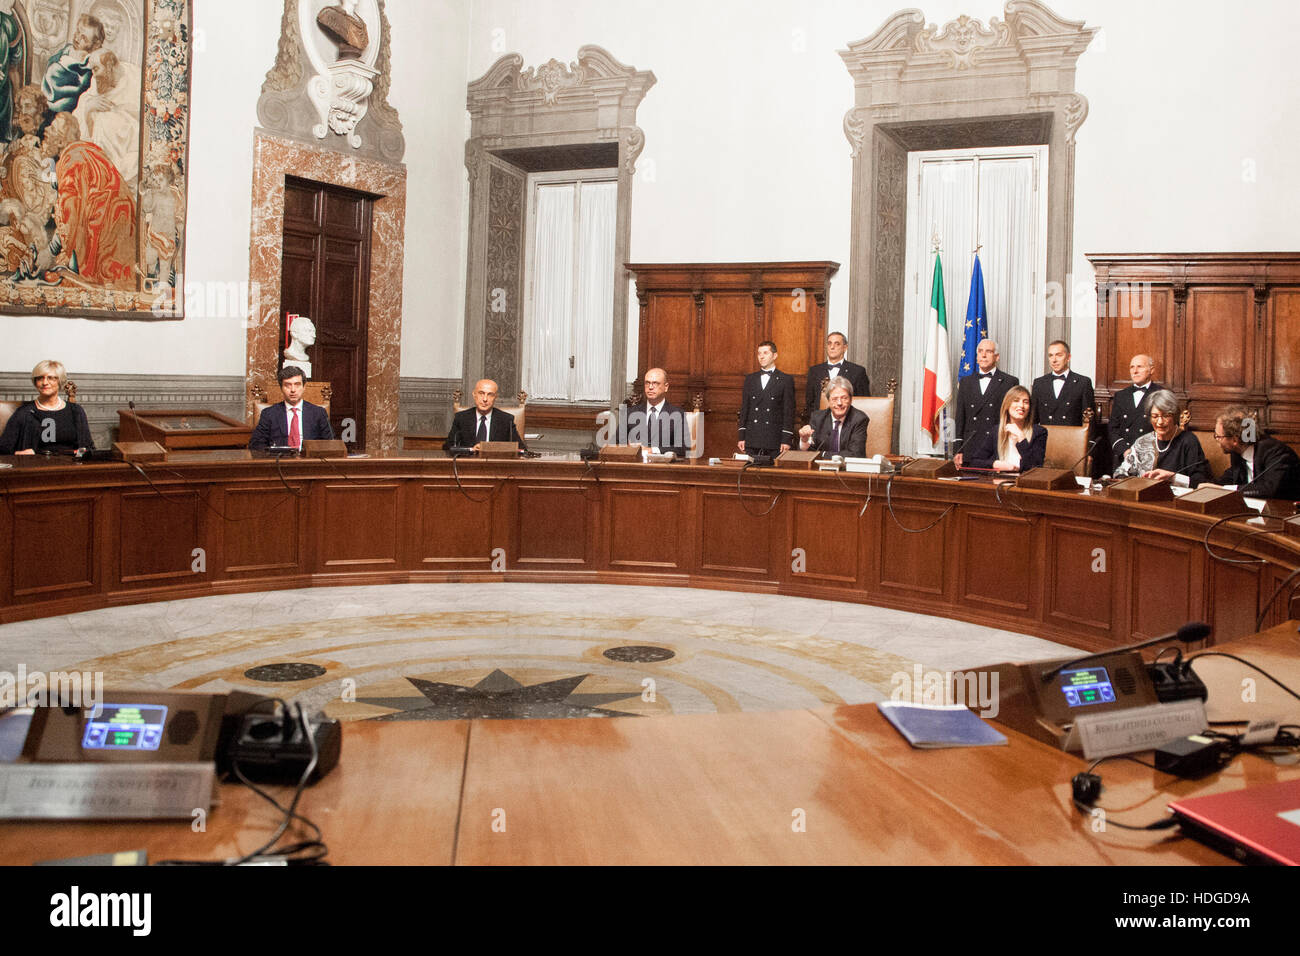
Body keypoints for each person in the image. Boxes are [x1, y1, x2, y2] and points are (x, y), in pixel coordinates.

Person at [1112, 389, 1209, 487]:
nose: (1160, 422)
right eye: (1155, 416)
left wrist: (1173, 477)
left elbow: (1200, 481)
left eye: (1166, 416)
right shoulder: (1142, 442)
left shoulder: (1189, 441)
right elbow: (1120, 473)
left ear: (1175, 416)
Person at [0, 360, 93, 455]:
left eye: (51, 378)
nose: (45, 382)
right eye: (40, 378)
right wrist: (18, 453)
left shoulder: (75, 411)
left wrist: (77, 456)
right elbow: (3, 448)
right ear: (35, 382)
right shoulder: (24, 412)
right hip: (35, 466)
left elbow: (88, 449)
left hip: (70, 465)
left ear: (60, 381)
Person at [1210, 407, 1300, 500]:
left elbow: (1269, 490)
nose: (1216, 440)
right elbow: (1231, 476)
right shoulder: (1237, 452)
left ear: (1234, 440)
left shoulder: (1277, 453)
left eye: (1218, 436)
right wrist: (1208, 487)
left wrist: (1226, 489)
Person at [953, 338, 1018, 468]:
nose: (983, 355)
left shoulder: (1009, 382)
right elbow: (960, 418)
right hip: (970, 446)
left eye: (988, 351)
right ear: (976, 356)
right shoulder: (966, 382)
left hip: (997, 445)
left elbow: (1012, 419)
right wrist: (958, 449)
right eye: (980, 351)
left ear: (997, 357)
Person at [959, 385, 1046, 472]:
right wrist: (994, 464)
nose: (1021, 405)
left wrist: (1021, 438)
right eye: (1016, 401)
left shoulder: (1039, 432)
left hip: (1024, 483)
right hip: (999, 481)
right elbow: (975, 462)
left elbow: (1035, 467)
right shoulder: (996, 431)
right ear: (1007, 405)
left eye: (1026, 402)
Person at [249, 366, 333, 450]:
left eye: (297, 385)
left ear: (304, 387)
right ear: (281, 388)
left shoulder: (318, 413)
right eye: (288, 385)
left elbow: (331, 443)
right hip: (280, 460)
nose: (293, 390)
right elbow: (256, 444)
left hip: (309, 460)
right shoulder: (269, 414)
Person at [737, 340, 794, 458]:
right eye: (759, 353)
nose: (761, 357)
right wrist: (742, 436)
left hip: (774, 439)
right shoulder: (750, 379)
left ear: (775, 356)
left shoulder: (786, 380)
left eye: (765, 353)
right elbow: (744, 409)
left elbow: (788, 412)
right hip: (752, 438)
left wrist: (786, 439)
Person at [41, 14, 105, 114]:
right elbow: (51, 63)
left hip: (67, 103)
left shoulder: (90, 63)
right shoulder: (67, 49)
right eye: (78, 31)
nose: (77, 38)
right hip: (49, 92)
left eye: (84, 38)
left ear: (95, 44)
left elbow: (82, 87)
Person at [620, 367, 689, 458]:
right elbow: (617, 443)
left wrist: (653, 450)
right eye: (647, 383)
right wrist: (630, 449)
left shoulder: (677, 414)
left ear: (666, 387)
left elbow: (683, 448)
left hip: (663, 468)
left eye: (655, 383)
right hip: (635, 467)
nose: (650, 387)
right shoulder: (630, 413)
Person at [805, 332, 869, 424]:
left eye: (837, 344)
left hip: (848, 424)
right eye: (829, 343)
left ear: (845, 348)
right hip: (820, 425)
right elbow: (810, 403)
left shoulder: (858, 372)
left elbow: (864, 402)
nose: (832, 347)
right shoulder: (814, 371)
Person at [444, 378, 524, 451]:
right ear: (474, 395)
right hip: (468, 464)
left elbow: (521, 449)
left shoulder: (506, 420)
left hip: (495, 465)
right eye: (481, 393)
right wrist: (471, 449)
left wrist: (492, 449)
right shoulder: (462, 418)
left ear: (495, 397)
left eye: (490, 395)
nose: (485, 399)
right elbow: (448, 447)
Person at [1108, 354, 1162, 460]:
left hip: (1151, 456)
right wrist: (1124, 450)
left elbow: (1165, 430)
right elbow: (1113, 429)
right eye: (1132, 367)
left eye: (1140, 366)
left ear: (1151, 370)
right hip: (1124, 455)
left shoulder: (1161, 394)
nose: (1135, 371)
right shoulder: (1121, 395)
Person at [798, 377, 867, 458]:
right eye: (834, 399)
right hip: (820, 469)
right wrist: (804, 441)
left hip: (847, 469)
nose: (839, 403)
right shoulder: (817, 418)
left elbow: (855, 454)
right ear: (828, 401)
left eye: (844, 398)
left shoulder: (859, 419)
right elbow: (808, 454)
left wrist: (822, 454)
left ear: (851, 400)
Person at [1031, 340, 1094, 426]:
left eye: (1059, 355)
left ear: (1068, 357)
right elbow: (1033, 419)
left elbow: (1089, 421)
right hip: (1046, 437)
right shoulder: (1039, 383)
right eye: (1050, 356)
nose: (1054, 360)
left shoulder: (1082, 383)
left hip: (1072, 437)